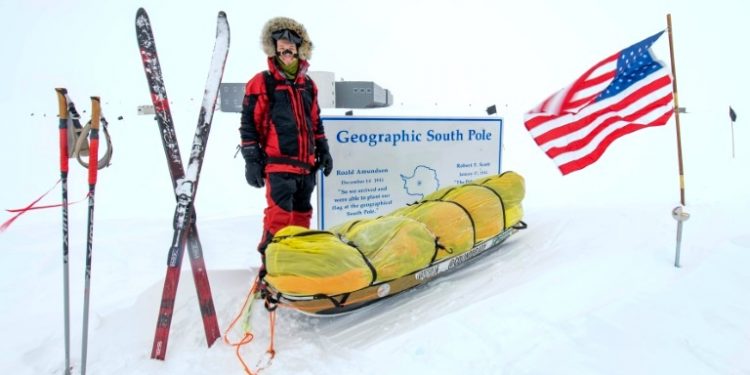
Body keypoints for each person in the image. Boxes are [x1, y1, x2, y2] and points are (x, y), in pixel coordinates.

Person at [239, 16, 333, 272]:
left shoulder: (308, 85)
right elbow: (248, 123)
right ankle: (271, 268)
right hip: (278, 164)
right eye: (280, 50)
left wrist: (323, 150)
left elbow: (315, 122)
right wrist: (252, 159)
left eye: (290, 49)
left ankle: (297, 265)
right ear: (273, 50)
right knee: (278, 218)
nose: (285, 54)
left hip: (306, 165)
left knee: (302, 216)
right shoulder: (262, 82)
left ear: (300, 49)